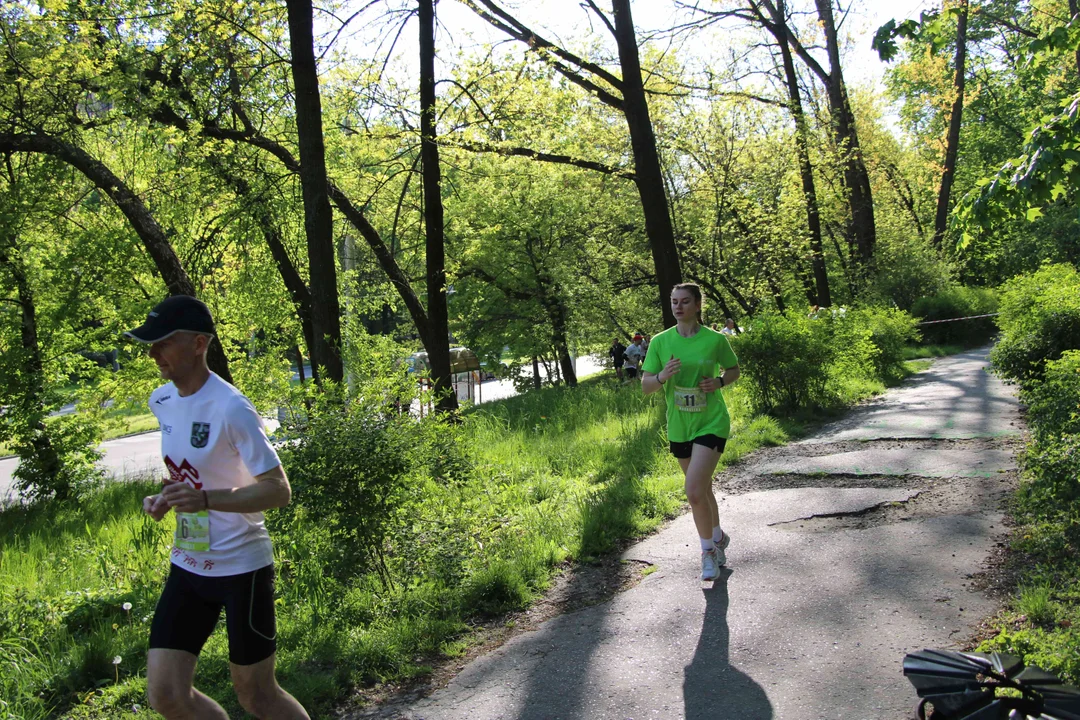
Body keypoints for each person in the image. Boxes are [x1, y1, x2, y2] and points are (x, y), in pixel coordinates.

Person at [125, 295, 310, 720]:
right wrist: (167, 496)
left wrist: (205, 500)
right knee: (167, 693)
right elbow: (190, 471)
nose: (153, 353)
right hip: (189, 563)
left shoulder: (232, 407)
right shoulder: (162, 401)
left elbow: (278, 491)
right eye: (149, 344)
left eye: (163, 343)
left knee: (257, 696)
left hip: (241, 568)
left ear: (198, 343)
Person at [641, 283, 740, 581]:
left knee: (694, 491)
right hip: (680, 425)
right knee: (703, 490)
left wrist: (720, 383)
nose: (678, 307)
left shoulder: (715, 340)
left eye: (685, 301)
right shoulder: (660, 342)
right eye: (674, 302)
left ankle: (708, 553)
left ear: (697, 305)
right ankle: (719, 537)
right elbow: (646, 386)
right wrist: (662, 376)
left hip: (711, 421)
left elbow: (733, 369)